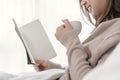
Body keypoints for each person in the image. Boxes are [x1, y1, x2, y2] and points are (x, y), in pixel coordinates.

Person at [34, 0, 120, 80]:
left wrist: (70, 40)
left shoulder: (116, 30)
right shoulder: (108, 28)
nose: (82, 3)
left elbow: (86, 78)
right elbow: (92, 72)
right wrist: (52, 68)